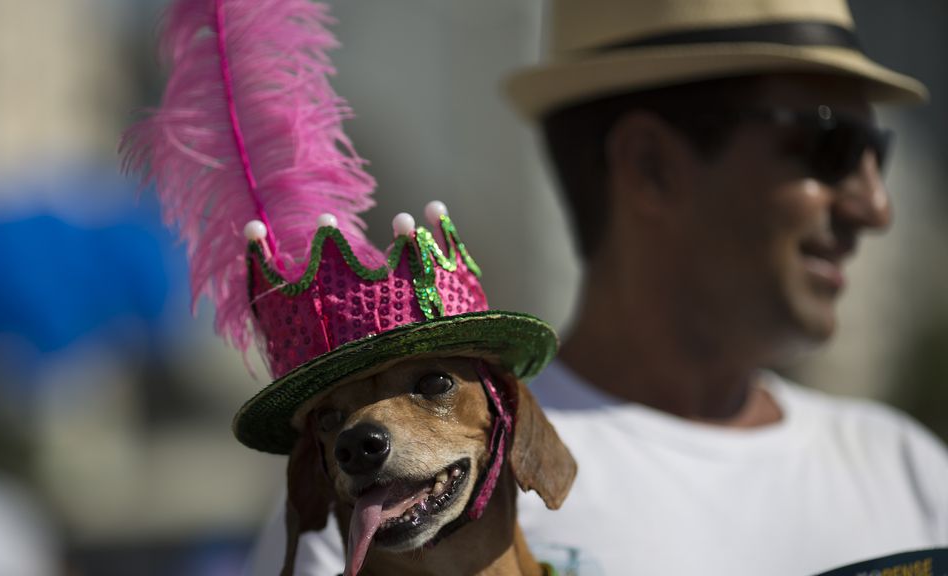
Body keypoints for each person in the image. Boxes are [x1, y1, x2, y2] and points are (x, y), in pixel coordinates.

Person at [249, 0, 948, 574]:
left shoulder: (916, 474)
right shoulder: (384, 496)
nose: (874, 205)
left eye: (876, 151)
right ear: (649, 165)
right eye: (829, 146)